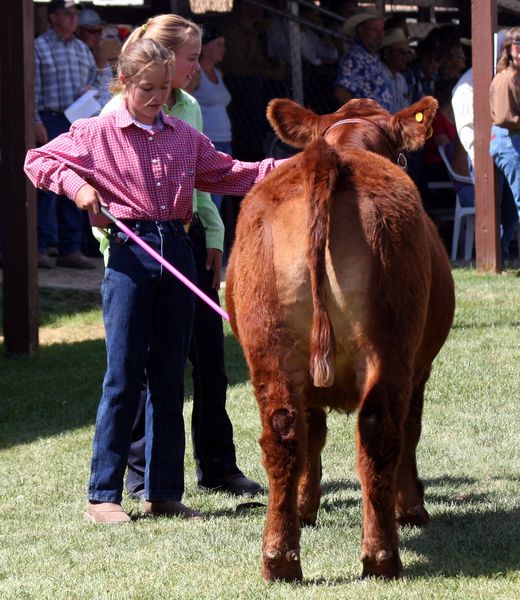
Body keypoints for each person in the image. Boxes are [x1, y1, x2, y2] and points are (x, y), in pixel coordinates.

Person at [25, 38, 281, 523]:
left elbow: (230, 173)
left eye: (165, 88)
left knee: (168, 378)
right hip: (130, 256)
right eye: (148, 88)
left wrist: (291, 168)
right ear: (124, 81)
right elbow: (37, 161)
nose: (158, 97)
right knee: (123, 377)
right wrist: (80, 189)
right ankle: (103, 495)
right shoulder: (94, 132)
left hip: (178, 251)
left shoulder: (183, 136)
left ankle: (162, 493)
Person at [99, 15, 262, 501]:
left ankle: (199, 475)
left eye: (193, 60)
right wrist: (110, 236)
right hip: (134, 250)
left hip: (185, 239)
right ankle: (130, 481)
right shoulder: (109, 121)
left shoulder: (185, 114)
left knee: (197, 362)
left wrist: (213, 235)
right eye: (191, 57)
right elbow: (55, 166)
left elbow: (215, 175)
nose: (194, 68)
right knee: (135, 372)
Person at [34, 0, 97, 269]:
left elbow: (97, 82)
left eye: (75, 14)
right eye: (68, 14)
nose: (73, 19)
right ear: (52, 17)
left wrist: (90, 92)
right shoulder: (39, 47)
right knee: (46, 186)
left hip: (77, 120)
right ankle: (41, 246)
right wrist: (35, 120)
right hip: (50, 118)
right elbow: (31, 88)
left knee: (76, 183)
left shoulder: (82, 49)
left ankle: (71, 248)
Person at [186, 25, 232, 213]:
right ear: (205, 47)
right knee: (209, 197)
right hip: (208, 141)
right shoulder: (196, 74)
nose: (224, 49)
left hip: (225, 139)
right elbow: (185, 101)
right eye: (219, 45)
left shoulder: (219, 74)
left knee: (220, 194)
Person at [490, 27, 520, 263]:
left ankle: (502, 254)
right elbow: (504, 118)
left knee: (510, 210)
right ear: (510, 49)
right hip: (509, 143)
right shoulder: (506, 79)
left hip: (511, 142)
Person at [334, 8, 392, 110]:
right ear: (361, 31)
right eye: (374, 30)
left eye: (382, 29)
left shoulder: (372, 56)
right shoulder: (354, 57)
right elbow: (341, 93)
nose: (380, 35)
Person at [76, 7, 112, 108]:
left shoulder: (98, 52)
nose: (98, 36)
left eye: (99, 31)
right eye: (92, 31)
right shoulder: (74, 55)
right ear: (78, 31)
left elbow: (108, 91)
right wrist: (99, 67)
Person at [379, 27, 410, 113]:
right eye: (402, 52)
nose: (406, 58)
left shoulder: (401, 79)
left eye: (407, 53)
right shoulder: (378, 75)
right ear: (387, 53)